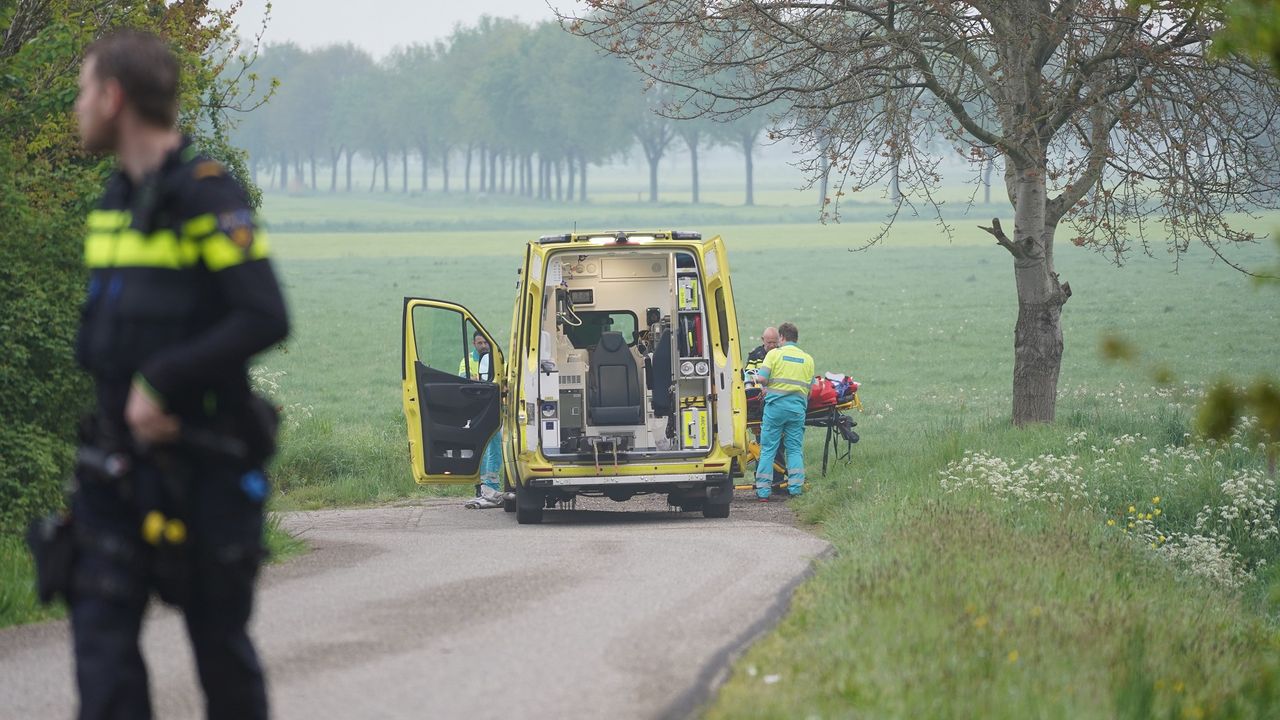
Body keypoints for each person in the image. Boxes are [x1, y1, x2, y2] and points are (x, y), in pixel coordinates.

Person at [70, 30, 288, 719]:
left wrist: (161, 382)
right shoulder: (112, 202)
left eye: (82, 91)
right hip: (117, 469)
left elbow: (264, 315)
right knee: (101, 653)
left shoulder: (206, 196)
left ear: (114, 97)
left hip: (203, 465)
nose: (77, 107)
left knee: (220, 654)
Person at [753, 322, 815, 500]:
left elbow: (763, 379)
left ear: (781, 337)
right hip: (797, 410)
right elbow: (810, 391)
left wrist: (756, 378)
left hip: (775, 409)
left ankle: (763, 491)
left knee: (768, 450)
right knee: (794, 449)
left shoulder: (774, 354)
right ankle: (795, 489)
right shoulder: (808, 359)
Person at [459, 332, 505, 509]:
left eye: (486, 342)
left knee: (493, 449)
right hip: (477, 411)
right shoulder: (468, 360)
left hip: (494, 409)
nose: (484, 345)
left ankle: (488, 488)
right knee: (485, 451)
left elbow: (505, 378)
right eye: (480, 343)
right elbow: (464, 379)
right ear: (473, 344)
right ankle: (485, 488)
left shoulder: (495, 357)